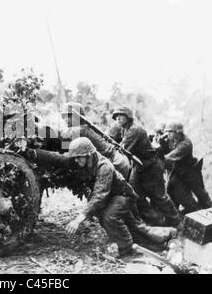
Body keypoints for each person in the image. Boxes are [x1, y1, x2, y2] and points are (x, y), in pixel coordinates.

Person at [22, 137, 177, 257]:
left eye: (80, 157)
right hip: (111, 196)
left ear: (90, 155)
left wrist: (78, 219)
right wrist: (34, 153)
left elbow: (99, 196)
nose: (76, 160)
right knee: (136, 226)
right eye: (76, 158)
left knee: (110, 217)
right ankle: (165, 235)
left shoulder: (105, 167)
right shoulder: (81, 160)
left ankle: (127, 248)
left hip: (123, 196)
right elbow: (59, 158)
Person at [112, 107, 180, 227]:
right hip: (138, 166)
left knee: (159, 196)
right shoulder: (124, 129)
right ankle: (156, 220)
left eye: (121, 115)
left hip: (151, 166)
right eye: (116, 116)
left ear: (128, 116)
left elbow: (123, 151)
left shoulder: (134, 130)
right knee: (135, 194)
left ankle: (175, 221)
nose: (118, 118)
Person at [60, 102, 131, 180]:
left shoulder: (80, 130)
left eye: (69, 116)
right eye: (63, 116)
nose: (65, 120)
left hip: (116, 163)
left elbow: (64, 145)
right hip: (115, 160)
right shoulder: (83, 128)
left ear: (77, 117)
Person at [163, 121, 212, 214]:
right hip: (180, 172)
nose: (167, 134)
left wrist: (156, 158)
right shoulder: (172, 140)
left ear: (177, 132)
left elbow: (169, 158)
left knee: (201, 194)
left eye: (170, 132)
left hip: (191, 172)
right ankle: (192, 213)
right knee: (180, 196)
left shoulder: (186, 144)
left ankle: (211, 215)